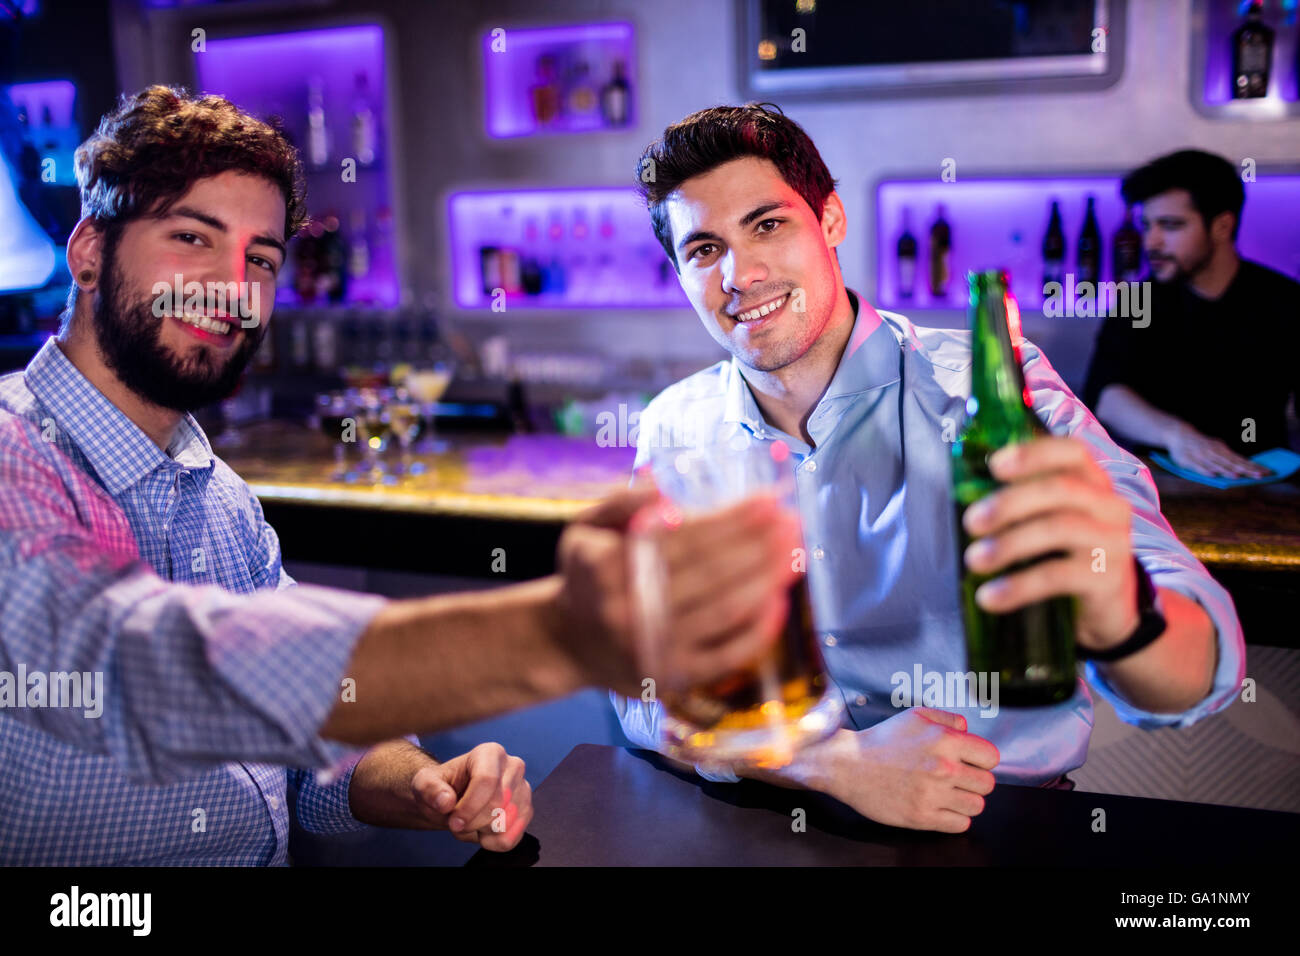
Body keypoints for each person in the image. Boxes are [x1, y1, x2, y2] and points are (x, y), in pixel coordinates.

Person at [0, 87, 800, 865]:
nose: (231, 285)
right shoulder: (14, 457)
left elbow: (311, 749)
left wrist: (418, 781)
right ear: (90, 251)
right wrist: (557, 633)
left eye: (262, 257)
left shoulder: (219, 498)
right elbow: (151, 671)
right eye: (192, 237)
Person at [613, 104, 1245, 833]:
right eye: (702, 250)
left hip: (989, 828)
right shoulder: (672, 428)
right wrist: (829, 762)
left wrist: (1121, 616)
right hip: (755, 822)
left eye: (768, 224)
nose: (741, 274)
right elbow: (641, 693)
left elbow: (1193, 674)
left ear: (832, 219)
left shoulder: (995, 389)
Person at [1082, 149, 1300, 478]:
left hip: (1259, 481)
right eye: (1146, 226)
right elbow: (1105, 393)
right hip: (1158, 487)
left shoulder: (1284, 301)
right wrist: (1177, 436)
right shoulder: (1137, 299)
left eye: (1170, 226)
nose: (1151, 242)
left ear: (1222, 226)